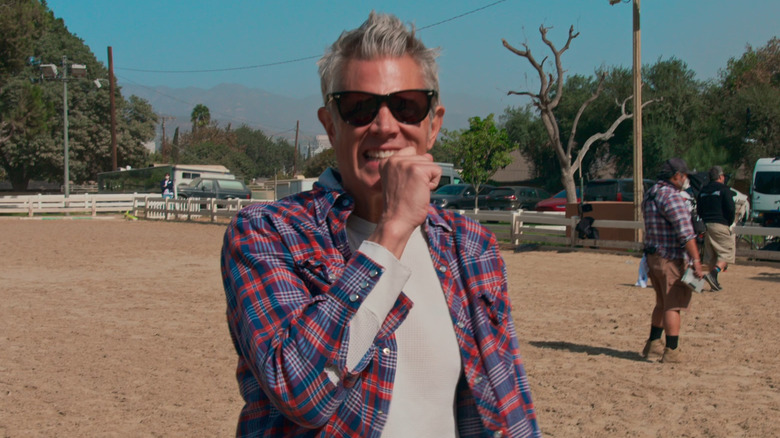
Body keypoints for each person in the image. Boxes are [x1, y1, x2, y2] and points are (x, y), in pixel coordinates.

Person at [220, 12, 541, 438]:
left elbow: (507, 401)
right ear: (330, 125)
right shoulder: (267, 233)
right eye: (359, 107)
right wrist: (393, 230)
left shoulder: (471, 246)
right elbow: (299, 390)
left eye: (407, 105)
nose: (386, 126)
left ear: (433, 123)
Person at [640, 158, 704, 363]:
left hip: (653, 256)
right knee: (673, 305)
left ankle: (653, 344)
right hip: (671, 258)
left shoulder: (650, 194)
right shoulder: (672, 197)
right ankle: (672, 351)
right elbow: (686, 234)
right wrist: (696, 260)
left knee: (661, 302)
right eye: (684, 175)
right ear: (676, 175)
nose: (686, 180)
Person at [697, 165, 736, 292]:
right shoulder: (724, 189)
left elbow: (699, 210)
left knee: (709, 257)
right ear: (720, 177)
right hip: (720, 224)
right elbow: (730, 208)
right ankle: (713, 274)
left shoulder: (703, 190)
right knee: (727, 252)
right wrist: (728, 223)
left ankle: (695, 283)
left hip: (706, 225)